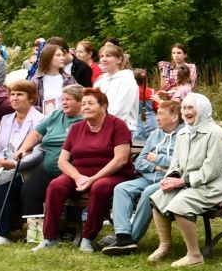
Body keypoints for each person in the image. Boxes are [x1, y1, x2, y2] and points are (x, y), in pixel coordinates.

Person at [37, 90, 133, 252]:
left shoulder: (117, 125)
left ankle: (88, 238)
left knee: (99, 187)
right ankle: (49, 238)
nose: (85, 107)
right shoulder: (76, 128)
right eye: (83, 104)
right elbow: (62, 161)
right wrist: (77, 177)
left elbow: (120, 159)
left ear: (104, 106)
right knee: (56, 185)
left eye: (90, 103)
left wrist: (92, 179)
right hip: (80, 175)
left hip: (112, 175)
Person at [146, 92, 222, 268]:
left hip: (215, 184)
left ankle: (194, 255)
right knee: (158, 197)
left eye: (190, 107)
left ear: (201, 110)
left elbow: (212, 170)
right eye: (184, 108)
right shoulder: (183, 133)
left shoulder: (214, 132)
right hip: (190, 182)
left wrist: (183, 182)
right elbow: (176, 163)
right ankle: (165, 245)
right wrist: (170, 178)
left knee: (181, 203)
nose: (186, 112)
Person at [99, 98, 182, 255]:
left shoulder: (184, 135)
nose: (156, 117)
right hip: (149, 177)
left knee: (149, 192)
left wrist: (157, 159)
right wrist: (158, 167)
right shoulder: (155, 134)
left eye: (160, 114)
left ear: (174, 116)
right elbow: (140, 163)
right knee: (122, 188)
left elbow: (180, 164)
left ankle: (131, 239)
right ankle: (123, 235)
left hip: (171, 181)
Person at [9, 85, 82, 242]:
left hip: (73, 168)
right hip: (49, 167)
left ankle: (70, 227)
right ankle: (36, 233)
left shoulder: (84, 120)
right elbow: (36, 133)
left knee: (62, 191)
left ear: (80, 102)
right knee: (30, 190)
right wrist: (23, 149)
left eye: (68, 99)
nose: (64, 103)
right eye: (62, 99)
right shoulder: (56, 115)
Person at [0, 79, 42, 245]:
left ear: (31, 98)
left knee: (3, 186)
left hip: (27, 169)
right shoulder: (6, 119)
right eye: (12, 94)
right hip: (3, 166)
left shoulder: (40, 120)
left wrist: (15, 164)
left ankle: (2, 233)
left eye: (20, 94)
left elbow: (40, 153)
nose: (14, 98)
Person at [92, 43, 140, 128]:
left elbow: (121, 110)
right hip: (99, 126)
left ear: (119, 60)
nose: (104, 59)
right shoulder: (100, 81)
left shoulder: (127, 80)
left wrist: (103, 125)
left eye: (108, 56)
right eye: (102, 56)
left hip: (120, 128)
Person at [31, 39, 73, 110]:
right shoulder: (36, 81)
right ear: (48, 58)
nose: (62, 58)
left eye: (62, 55)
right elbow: (30, 105)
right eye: (58, 55)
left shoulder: (69, 79)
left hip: (67, 119)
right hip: (44, 119)